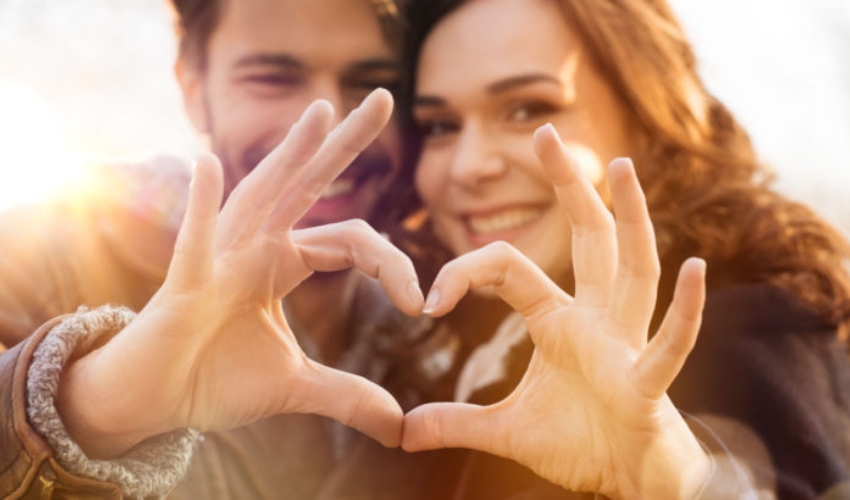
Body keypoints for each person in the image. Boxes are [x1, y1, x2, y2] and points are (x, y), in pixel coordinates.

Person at [367, 0, 850, 498]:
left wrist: (677, 479)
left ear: (645, 114)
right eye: (441, 126)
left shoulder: (741, 329)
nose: (467, 166)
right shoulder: (460, 351)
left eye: (528, 109)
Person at [0, 0, 430, 498]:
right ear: (193, 87)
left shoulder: (442, 329)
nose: (330, 122)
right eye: (273, 78)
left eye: (372, 84)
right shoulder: (40, 248)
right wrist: (87, 408)